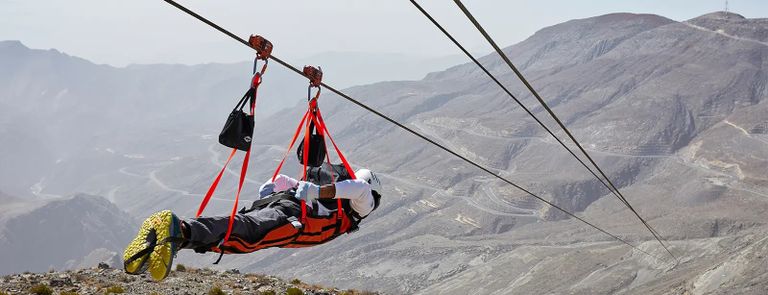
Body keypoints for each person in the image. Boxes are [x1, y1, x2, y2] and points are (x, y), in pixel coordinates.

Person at [122, 167, 382, 281]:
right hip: (294, 220)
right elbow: (359, 189)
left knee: (242, 232)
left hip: (288, 210)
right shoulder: (362, 202)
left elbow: (283, 181)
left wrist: (274, 189)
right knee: (245, 236)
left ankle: (164, 242)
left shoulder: (339, 202)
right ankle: (179, 230)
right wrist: (315, 191)